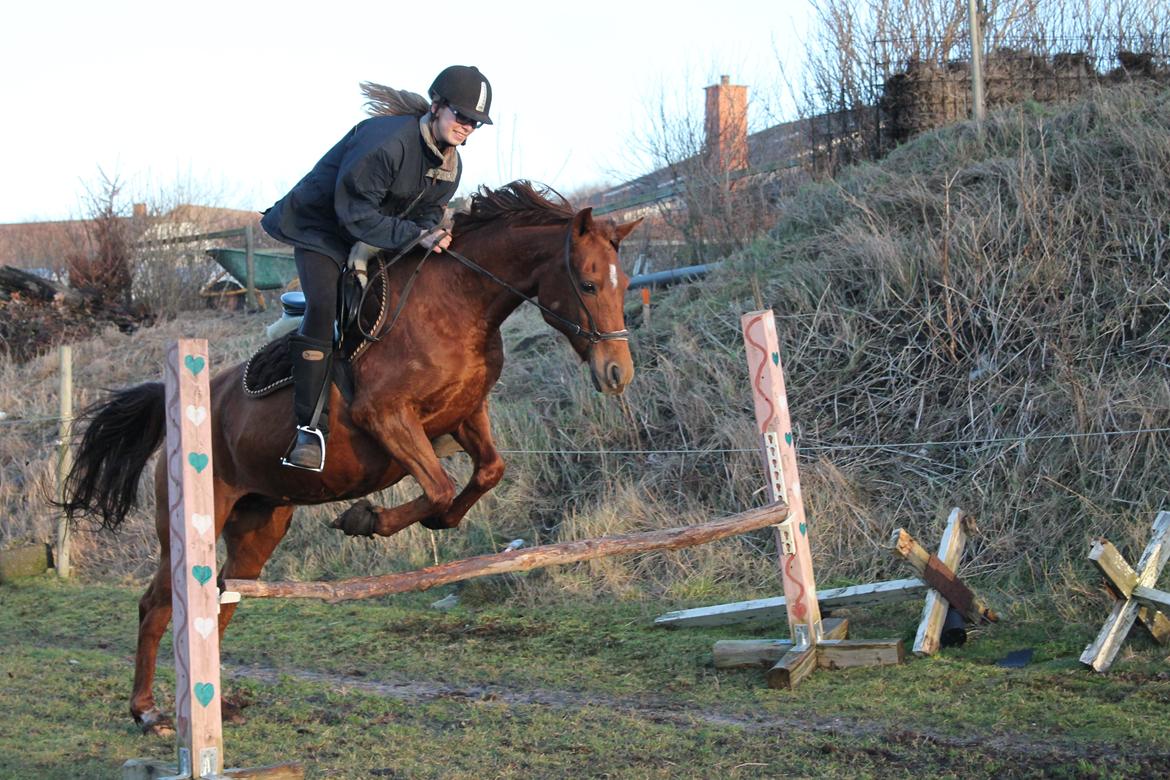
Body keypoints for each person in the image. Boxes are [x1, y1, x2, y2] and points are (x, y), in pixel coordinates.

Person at [260, 65, 493, 471]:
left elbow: (423, 216)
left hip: (372, 232)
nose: (468, 127)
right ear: (437, 106)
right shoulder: (386, 143)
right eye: (462, 116)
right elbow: (353, 215)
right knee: (327, 305)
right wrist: (416, 235)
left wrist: (435, 233)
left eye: (475, 122)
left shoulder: (451, 166)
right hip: (321, 228)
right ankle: (309, 430)